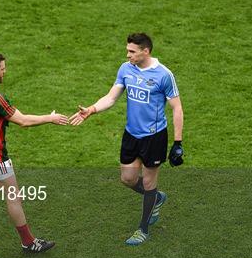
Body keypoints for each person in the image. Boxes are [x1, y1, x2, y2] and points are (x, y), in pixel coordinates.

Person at [70, 33, 184, 246]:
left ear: (145, 51)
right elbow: (111, 97)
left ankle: (143, 229)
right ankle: (157, 198)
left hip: (154, 137)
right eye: (128, 50)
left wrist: (178, 143)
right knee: (128, 179)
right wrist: (91, 110)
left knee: (149, 182)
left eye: (132, 51)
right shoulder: (126, 69)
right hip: (131, 134)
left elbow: (177, 107)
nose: (128, 54)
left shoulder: (163, 75)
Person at [0, 52, 68, 253]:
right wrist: (50, 118)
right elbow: (23, 121)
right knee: (13, 198)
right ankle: (28, 242)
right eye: (2, 69)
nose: (4, 72)